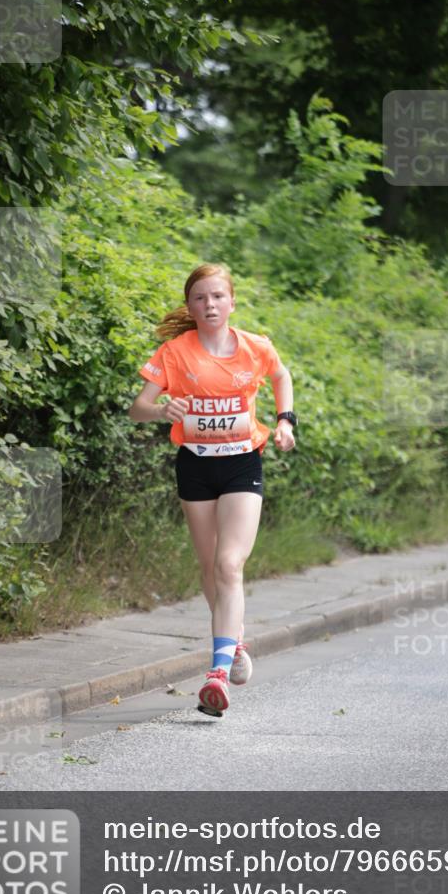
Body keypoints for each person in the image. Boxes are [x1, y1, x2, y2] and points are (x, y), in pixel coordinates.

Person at [129, 262, 297, 717]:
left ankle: (217, 673)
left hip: (243, 464)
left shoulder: (255, 347)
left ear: (232, 302)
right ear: (190, 306)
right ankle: (235, 644)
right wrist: (163, 409)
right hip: (196, 467)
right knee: (209, 568)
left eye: (218, 297)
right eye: (200, 298)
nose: (210, 305)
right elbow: (137, 407)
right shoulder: (175, 351)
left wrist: (285, 421)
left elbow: (282, 377)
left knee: (229, 564)